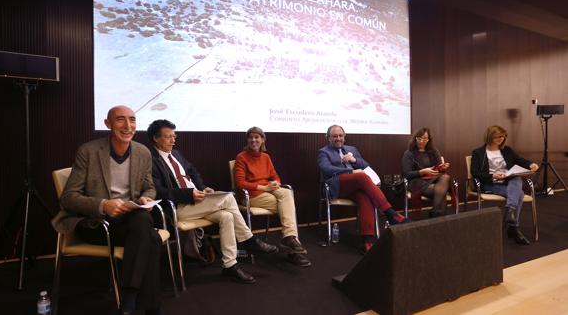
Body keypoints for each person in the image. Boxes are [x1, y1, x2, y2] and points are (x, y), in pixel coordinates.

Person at [52, 106, 162, 315]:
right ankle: (148, 306)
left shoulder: (142, 152)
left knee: (142, 222)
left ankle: (129, 301)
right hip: (96, 224)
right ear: (108, 124)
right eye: (121, 120)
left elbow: (149, 187)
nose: (128, 126)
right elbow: (68, 198)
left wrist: (147, 197)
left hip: (129, 223)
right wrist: (103, 205)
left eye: (132, 120)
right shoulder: (89, 151)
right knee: (151, 237)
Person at [147, 119, 278, 284]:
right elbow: (158, 191)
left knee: (227, 217)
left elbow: (192, 171)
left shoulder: (177, 154)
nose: (173, 140)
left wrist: (202, 188)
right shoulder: (150, 160)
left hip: (196, 201)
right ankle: (249, 240)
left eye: (174, 136)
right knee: (229, 197)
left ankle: (230, 265)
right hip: (178, 207)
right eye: (168, 137)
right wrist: (189, 194)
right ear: (155, 138)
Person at [318, 125, 410, 253]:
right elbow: (326, 169)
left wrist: (354, 160)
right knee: (360, 176)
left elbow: (365, 165)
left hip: (356, 186)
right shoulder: (324, 152)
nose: (338, 138)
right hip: (337, 186)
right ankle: (390, 214)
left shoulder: (352, 149)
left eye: (340, 136)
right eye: (334, 136)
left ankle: (367, 241)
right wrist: (351, 171)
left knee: (364, 196)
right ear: (328, 138)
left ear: (344, 137)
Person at [234, 126, 311, 267]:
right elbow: (240, 183)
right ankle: (293, 250)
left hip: (269, 190)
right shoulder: (241, 157)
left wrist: (277, 183)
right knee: (287, 207)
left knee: (287, 193)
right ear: (247, 140)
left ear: (263, 140)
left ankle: (289, 238)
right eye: (250, 137)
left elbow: (274, 175)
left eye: (257, 137)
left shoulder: (266, 157)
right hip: (251, 195)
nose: (253, 140)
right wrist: (264, 187)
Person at [471, 125, 539, 245]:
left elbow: (520, 160)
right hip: (490, 183)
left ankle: (510, 213)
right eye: (498, 136)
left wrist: (530, 164)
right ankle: (513, 227)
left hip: (508, 181)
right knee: (520, 194)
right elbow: (475, 172)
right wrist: (492, 176)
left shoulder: (507, 150)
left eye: (503, 136)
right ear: (490, 136)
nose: (501, 139)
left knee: (517, 179)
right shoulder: (478, 152)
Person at [402, 127, 452, 218]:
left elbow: (439, 168)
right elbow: (407, 174)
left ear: (429, 140)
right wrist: (421, 172)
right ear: (415, 139)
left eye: (425, 139)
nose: (422, 141)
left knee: (445, 177)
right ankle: (438, 214)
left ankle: (435, 211)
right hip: (416, 181)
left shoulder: (433, 151)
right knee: (440, 190)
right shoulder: (409, 153)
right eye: (419, 138)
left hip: (434, 179)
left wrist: (443, 167)